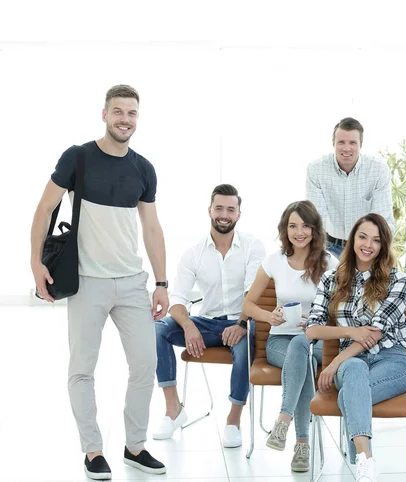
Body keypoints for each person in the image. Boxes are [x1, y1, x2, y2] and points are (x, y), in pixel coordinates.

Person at [30, 85, 168, 480]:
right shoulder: (78, 158)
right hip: (87, 281)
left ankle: (135, 446)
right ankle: (92, 451)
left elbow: (152, 227)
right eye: (119, 111)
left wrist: (161, 282)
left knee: (145, 363)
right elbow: (44, 209)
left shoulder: (143, 168)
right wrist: (34, 263)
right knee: (82, 368)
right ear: (104, 114)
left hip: (131, 281)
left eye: (132, 113)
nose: (125, 119)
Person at [153, 184, 265, 448]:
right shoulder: (193, 253)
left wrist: (241, 324)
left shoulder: (252, 246)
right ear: (209, 211)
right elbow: (177, 300)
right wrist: (189, 326)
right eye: (219, 208)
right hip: (206, 323)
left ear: (239, 214)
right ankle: (173, 410)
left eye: (230, 209)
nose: (224, 214)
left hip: (241, 321)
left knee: (245, 344)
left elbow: (254, 293)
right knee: (158, 329)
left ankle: (233, 421)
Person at [305, 213, 406, 482]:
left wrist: (332, 364)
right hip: (351, 363)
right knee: (353, 369)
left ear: (383, 246)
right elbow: (312, 329)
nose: (368, 244)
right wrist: (350, 331)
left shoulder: (397, 280)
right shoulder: (331, 279)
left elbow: (375, 333)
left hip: (392, 360)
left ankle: (362, 463)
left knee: (349, 397)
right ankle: (366, 462)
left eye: (376, 240)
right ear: (353, 238)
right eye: (363, 236)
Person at [242, 200, 338, 472]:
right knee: (301, 355)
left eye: (305, 225)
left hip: (319, 342)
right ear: (285, 229)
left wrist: (318, 319)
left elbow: (343, 308)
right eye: (293, 225)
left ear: (314, 229)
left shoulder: (329, 262)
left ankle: (283, 422)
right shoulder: (274, 261)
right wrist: (268, 316)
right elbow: (248, 305)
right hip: (280, 341)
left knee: (304, 351)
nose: (299, 232)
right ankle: (302, 445)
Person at [306, 117, 394, 258]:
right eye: (341, 142)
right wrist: (316, 254)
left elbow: (382, 219)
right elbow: (316, 218)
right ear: (333, 143)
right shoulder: (316, 170)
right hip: (331, 247)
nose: (347, 148)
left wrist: (377, 254)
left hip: (366, 248)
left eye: (353, 142)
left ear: (361, 144)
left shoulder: (378, 170)